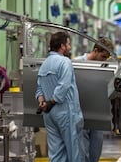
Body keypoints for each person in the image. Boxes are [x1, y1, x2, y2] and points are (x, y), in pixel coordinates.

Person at [35, 31, 84, 162]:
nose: (69, 47)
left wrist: (42, 102)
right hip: (65, 112)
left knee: (56, 152)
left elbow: (39, 89)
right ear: (62, 46)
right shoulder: (65, 62)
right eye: (68, 44)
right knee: (74, 150)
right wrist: (51, 102)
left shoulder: (44, 64)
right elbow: (63, 85)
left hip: (49, 114)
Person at [75, 37, 115, 162]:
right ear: (96, 50)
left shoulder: (103, 66)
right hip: (81, 113)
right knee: (83, 152)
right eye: (103, 56)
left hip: (97, 114)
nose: (104, 60)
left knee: (95, 151)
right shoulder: (76, 63)